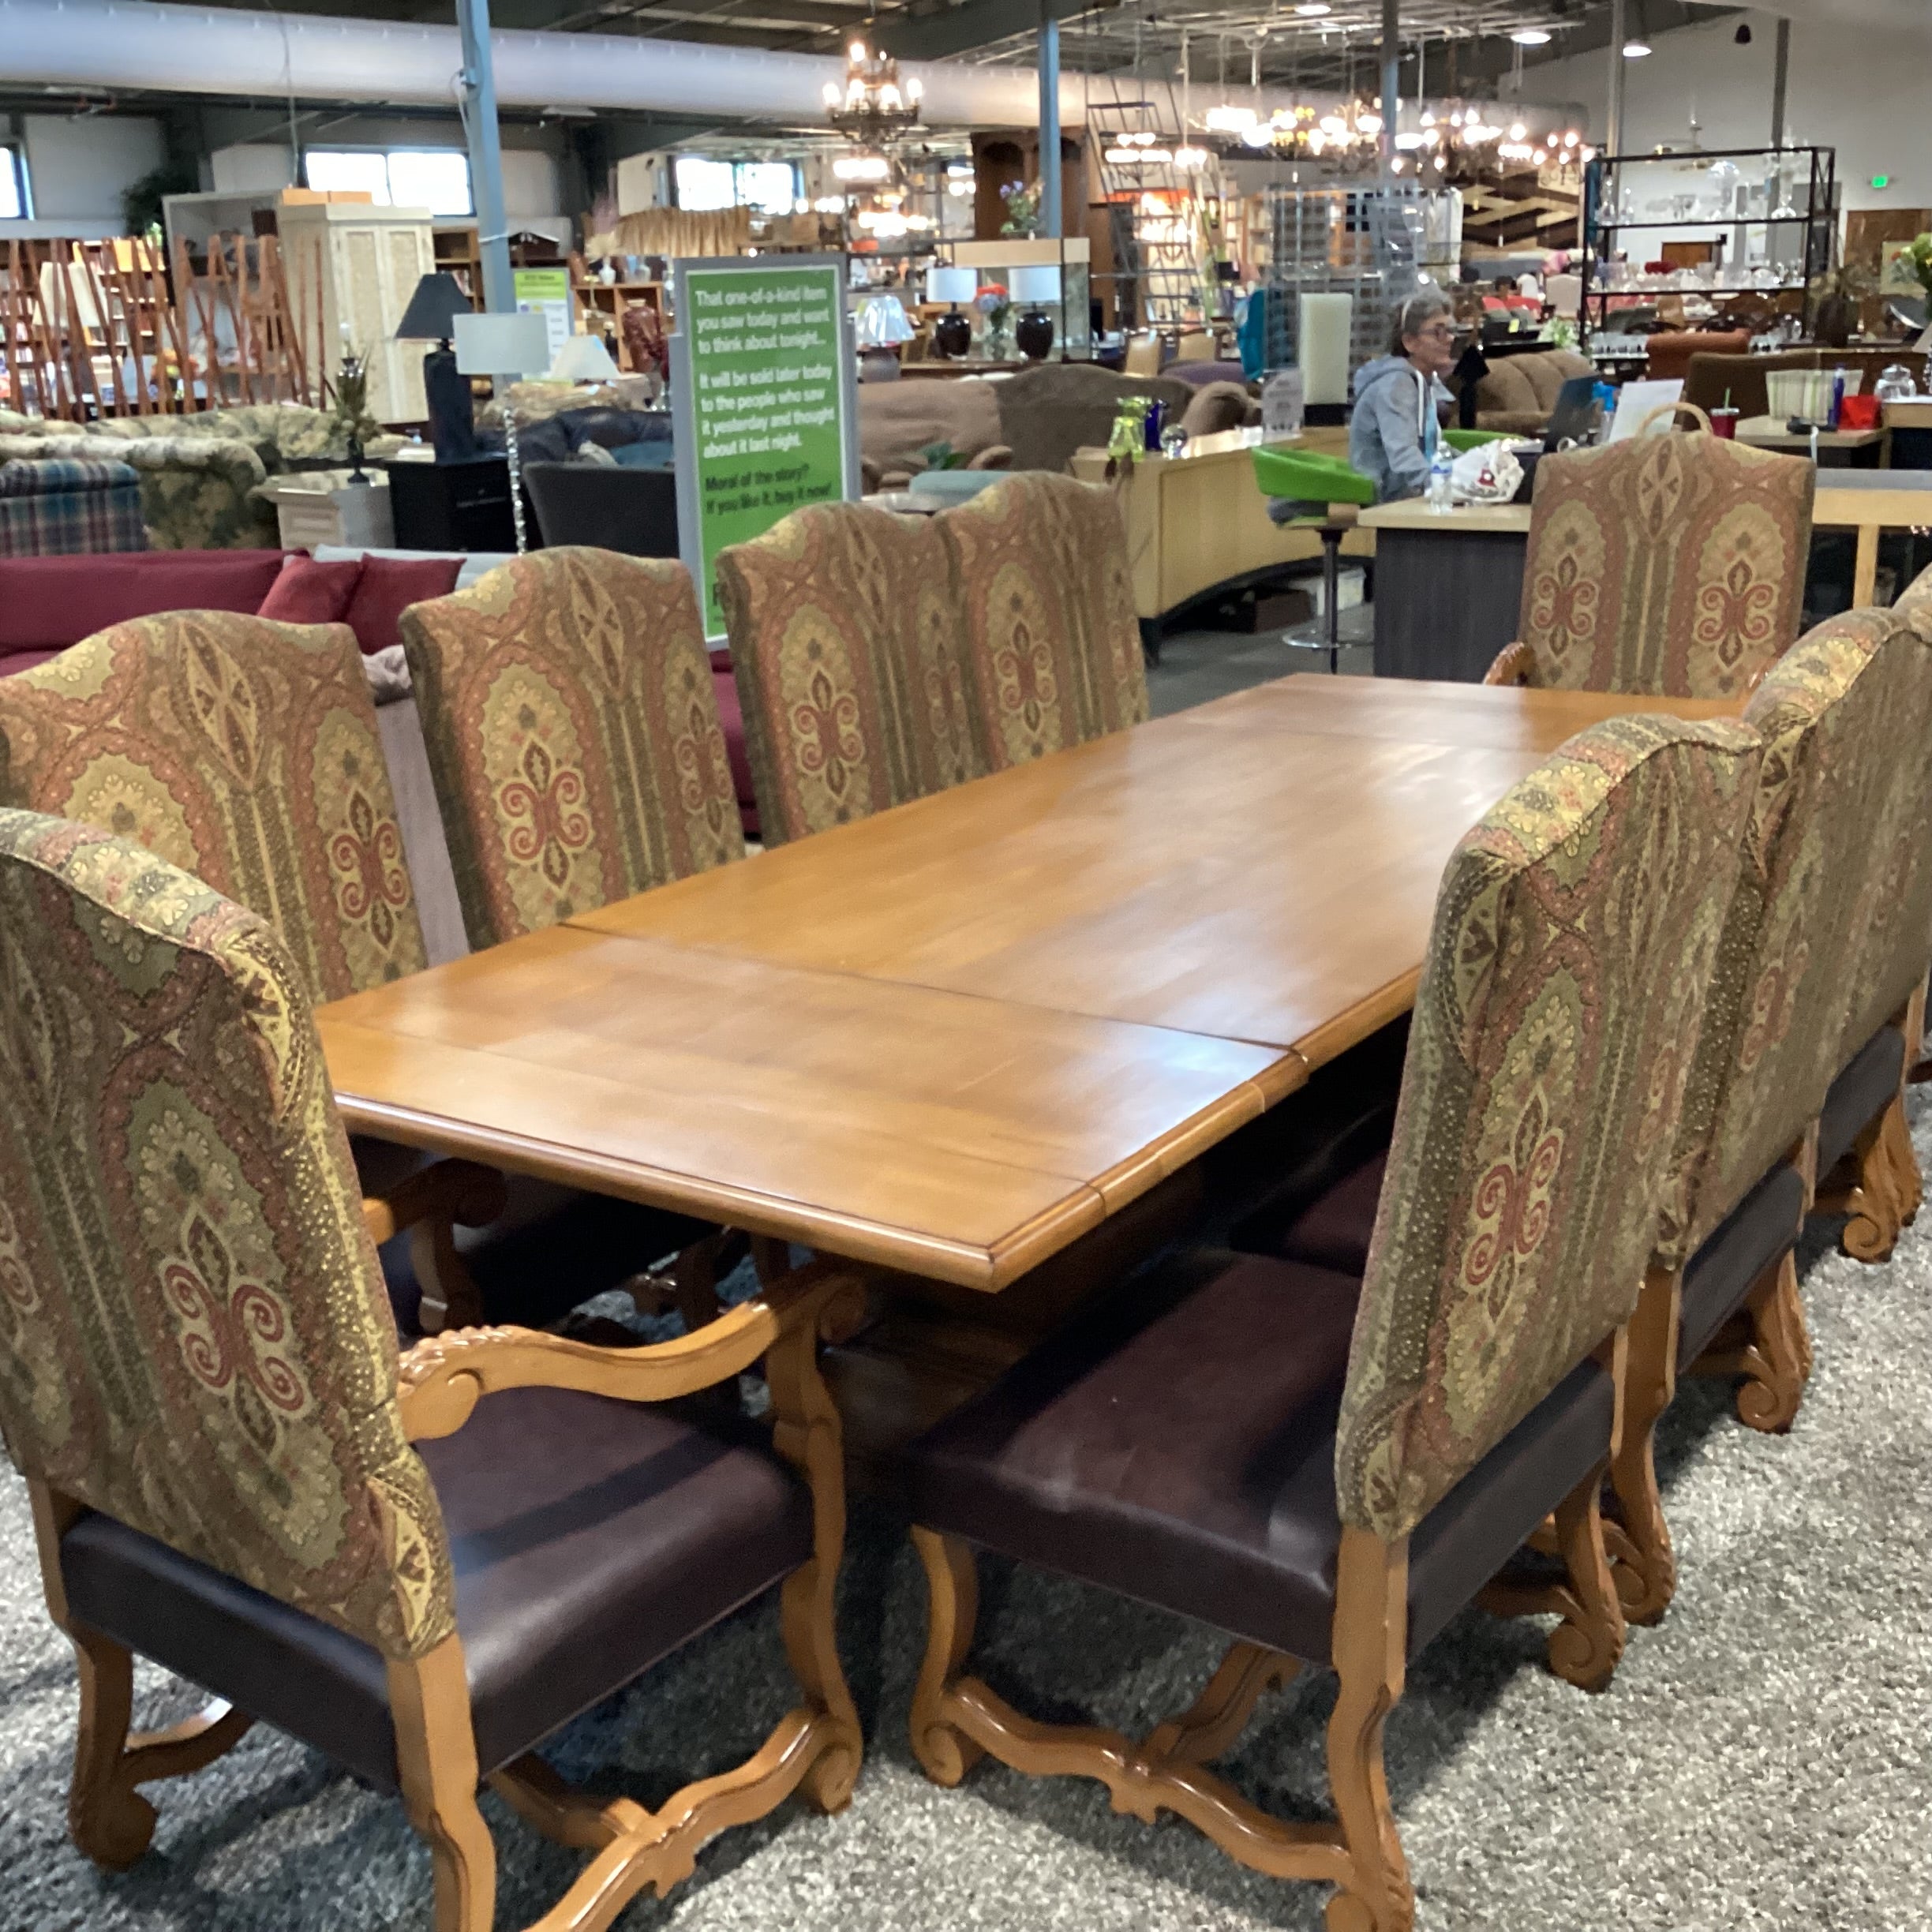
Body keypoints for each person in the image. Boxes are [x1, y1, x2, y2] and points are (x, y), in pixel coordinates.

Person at [1350, 289, 1457, 502]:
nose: (1451, 339)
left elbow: (1433, 449)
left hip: (1409, 494)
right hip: (1388, 501)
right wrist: (1450, 484)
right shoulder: (1396, 384)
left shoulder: (1420, 381)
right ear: (1409, 342)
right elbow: (1404, 459)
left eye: (1451, 331)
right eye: (1438, 332)